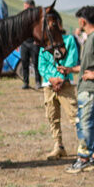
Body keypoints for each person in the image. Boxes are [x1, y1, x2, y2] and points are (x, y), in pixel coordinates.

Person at [64, 6, 94, 173]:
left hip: (92, 88)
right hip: (91, 87)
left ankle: (83, 158)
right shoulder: (91, 38)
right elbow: (87, 66)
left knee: (84, 122)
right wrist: (70, 70)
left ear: (82, 21)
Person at [38, 22, 80, 159]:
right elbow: (41, 65)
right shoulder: (44, 45)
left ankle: (84, 144)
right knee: (52, 116)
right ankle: (58, 146)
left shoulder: (69, 40)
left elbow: (71, 60)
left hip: (65, 84)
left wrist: (60, 78)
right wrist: (51, 79)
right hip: (49, 85)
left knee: (74, 114)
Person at [17, 0, 42, 89]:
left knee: (36, 63)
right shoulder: (22, 16)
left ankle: (38, 82)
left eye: (26, 7)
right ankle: (26, 83)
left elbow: (40, 29)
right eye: (24, 7)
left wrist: (38, 40)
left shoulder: (37, 17)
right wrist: (18, 42)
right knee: (24, 63)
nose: (25, 9)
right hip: (24, 43)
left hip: (34, 43)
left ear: (32, 6)